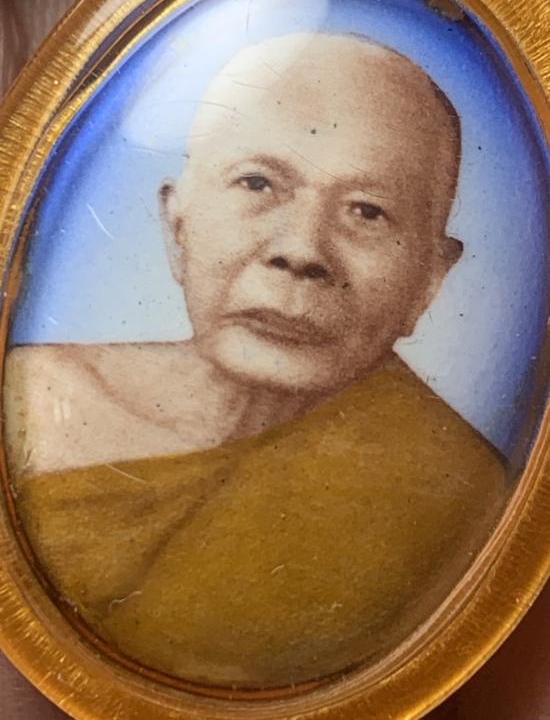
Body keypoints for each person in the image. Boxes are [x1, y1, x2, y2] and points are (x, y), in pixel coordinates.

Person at [4, 33, 508, 688]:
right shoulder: (31, 394)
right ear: (177, 227)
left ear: (430, 281)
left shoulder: (455, 497)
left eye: (367, 211)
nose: (301, 250)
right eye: (258, 182)